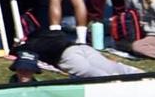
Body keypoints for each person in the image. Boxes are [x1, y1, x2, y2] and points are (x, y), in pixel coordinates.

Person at [9, 29, 142, 81]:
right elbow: (59, 31)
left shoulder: (31, 45)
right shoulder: (49, 34)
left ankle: (115, 83)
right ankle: (142, 74)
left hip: (66, 55)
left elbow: (15, 52)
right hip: (81, 47)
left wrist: (17, 46)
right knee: (111, 66)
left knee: (91, 72)